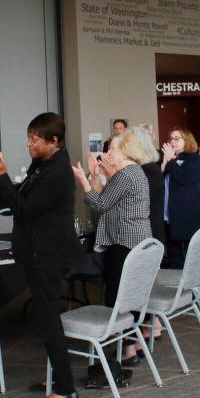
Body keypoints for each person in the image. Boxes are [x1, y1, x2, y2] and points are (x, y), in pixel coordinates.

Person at [0, 112, 85, 398]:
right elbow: (23, 197)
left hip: (47, 256)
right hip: (38, 252)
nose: (29, 144)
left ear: (54, 141)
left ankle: (65, 388)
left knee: (48, 318)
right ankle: (56, 376)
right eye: (29, 137)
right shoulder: (45, 164)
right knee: (43, 316)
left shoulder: (57, 172)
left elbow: (23, 209)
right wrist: (3, 176)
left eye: (34, 139)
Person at [72, 130, 151, 309]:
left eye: (112, 149)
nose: (107, 153)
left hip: (125, 241)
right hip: (133, 239)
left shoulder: (125, 174)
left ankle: (122, 331)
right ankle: (133, 330)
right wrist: (94, 175)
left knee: (118, 292)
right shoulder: (131, 171)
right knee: (130, 289)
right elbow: (105, 197)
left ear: (125, 151)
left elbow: (100, 205)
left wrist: (83, 180)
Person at [161, 127, 200, 268]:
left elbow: (182, 178)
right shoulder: (168, 160)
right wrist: (164, 162)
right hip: (170, 216)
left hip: (187, 215)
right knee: (174, 257)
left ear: (187, 141)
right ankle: (176, 286)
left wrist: (171, 160)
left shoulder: (193, 158)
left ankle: (191, 287)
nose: (173, 141)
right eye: (171, 138)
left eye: (177, 138)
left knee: (189, 258)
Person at [129, 125, 166, 245]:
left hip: (148, 236)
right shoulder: (138, 168)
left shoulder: (149, 169)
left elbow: (135, 202)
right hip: (138, 235)